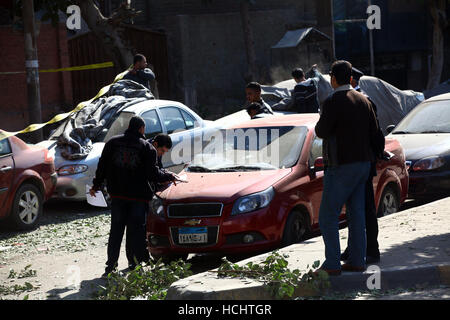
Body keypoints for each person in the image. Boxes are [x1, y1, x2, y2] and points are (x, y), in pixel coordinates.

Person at [90, 116, 177, 277]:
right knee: (134, 232)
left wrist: (96, 186)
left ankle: (110, 267)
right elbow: (152, 174)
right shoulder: (147, 148)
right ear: (141, 129)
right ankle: (132, 264)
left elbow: (101, 167)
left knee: (115, 231)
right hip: (138, 198)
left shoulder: (112, 143)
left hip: (117, 195)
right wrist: (169, 176)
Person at [315, 60, 379, 275]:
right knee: (357, 213)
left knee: (327, 216)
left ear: (333, 77)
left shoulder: (333, 101)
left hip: (341, 165)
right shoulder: (364, 100)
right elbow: (375, 132)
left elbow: (321, 131)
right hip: (363, 164)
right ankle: (357, 260)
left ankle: (332, 263)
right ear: (351, 77)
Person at [341, 67, 384, 264]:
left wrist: (373, 156)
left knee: (363, 208)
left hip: (360, 163)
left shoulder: (361, 101)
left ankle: (370, 250)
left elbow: (376, 134)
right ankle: (356, 248)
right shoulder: (361, 100)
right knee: (357, 209)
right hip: (361, 162)